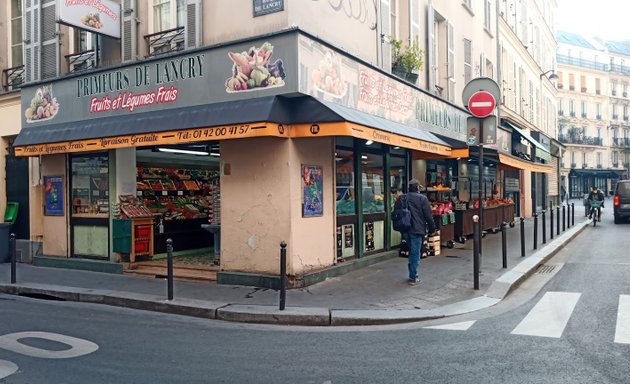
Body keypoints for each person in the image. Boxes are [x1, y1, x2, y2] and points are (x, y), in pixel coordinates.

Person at [405, 179, 436, 286]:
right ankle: (413, 277)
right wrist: (432, 229)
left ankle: (412, 273)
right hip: (417, 229)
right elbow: (428, 216)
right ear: (417, 187)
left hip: (405, 229)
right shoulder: (422, 198)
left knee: (411, 251)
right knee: (415, 253)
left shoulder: (403, 197)